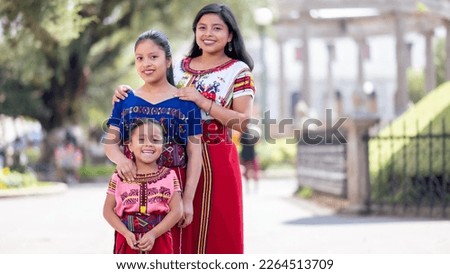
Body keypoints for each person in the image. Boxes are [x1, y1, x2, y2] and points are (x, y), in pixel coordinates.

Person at [114, 4, 256, 254]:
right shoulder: (179, 66)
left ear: (230, 34)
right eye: (202, 28)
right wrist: (124, 91)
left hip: (216, 159)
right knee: (174, 231)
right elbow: (151, 89)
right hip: (173, 160)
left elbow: (242, 122)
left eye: (217, 28)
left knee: (217, 230)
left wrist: (203, 102)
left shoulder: (239, 71)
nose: (208, 34)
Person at [103, 30, 202, 253]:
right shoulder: (124, 100)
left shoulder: (186, 103)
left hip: (171, 193)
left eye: (153, 57)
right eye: (139, 58)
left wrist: (187, 200)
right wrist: (121, 161)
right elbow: (110, 144)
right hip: (132, 188)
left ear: (168, 61)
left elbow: (196, 154)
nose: (146, 63)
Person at [103, 118, 183, 254]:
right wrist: (125, 233)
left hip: (160, 240)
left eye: (155, 140)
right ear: (130, 146)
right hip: (127, 241)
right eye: (141, 140)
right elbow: (107, 211)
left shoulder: (169, 175)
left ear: (163, 145)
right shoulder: (119, 177)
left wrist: (154, 233)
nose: (148, 144)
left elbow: (177, 211)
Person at [239, 124, 261, 192]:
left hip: (245, 154)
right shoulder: (253, 133)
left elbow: (240, 141)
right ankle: (254, 187)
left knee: (248, 171)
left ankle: (249, 187)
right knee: (254, 170)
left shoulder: (243, 134)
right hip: (251, 154)